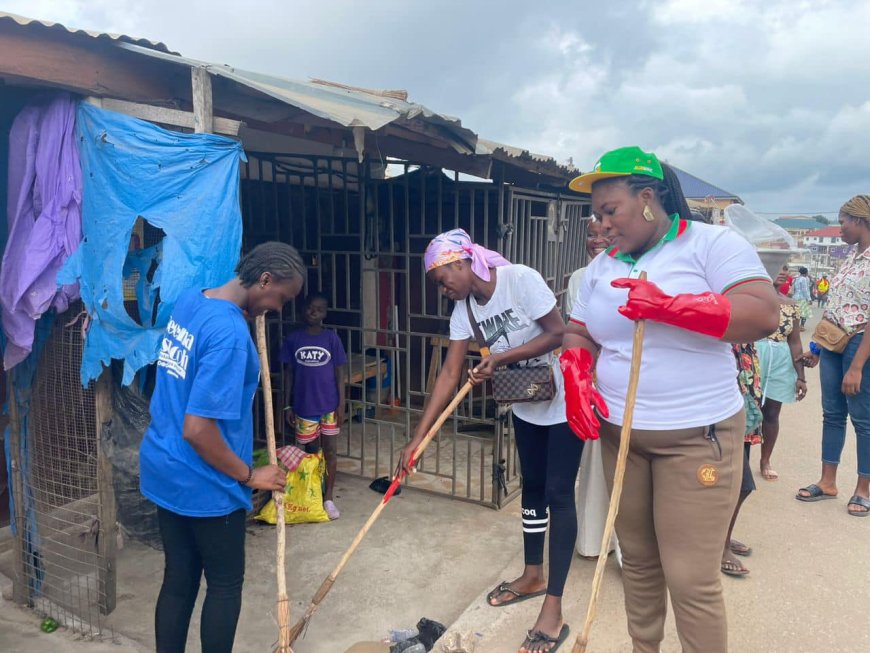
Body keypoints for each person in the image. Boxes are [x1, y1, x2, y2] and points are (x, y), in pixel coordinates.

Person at [563, 146, 779, 653]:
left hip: (696, 437)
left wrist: (674, 307)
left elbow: (762, 312)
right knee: (637, 561)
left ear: (647, 197)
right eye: (596, 215)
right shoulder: (602, 267)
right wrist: (576, 368)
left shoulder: (712, 244)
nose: (602, 223)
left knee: (689, 578)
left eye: (609, 210)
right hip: (621, 435)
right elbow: (580, 330)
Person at [400, 228, 575, 652]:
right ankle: (533, 574)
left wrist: (500, 358)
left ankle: (553, 607)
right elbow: (449, 374)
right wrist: (417, 438)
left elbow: (559, 333)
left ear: (463, 261)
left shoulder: (520, 279)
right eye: (439, 284)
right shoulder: (465, 310)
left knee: (558, 493)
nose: (444, 289)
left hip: (566, 400)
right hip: (525, 402)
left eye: (445, 278)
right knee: (531, 488)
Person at [139, 242, 306, 653]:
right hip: (206, 483)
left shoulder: (191, 302)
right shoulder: (230, 334)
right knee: (225, 586)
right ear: (264, 280)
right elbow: (199, 430)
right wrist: (251, 475)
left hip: (165, 468)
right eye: (281, 298)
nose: (280, 308)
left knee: (178, 580)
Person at [798, 195, 870, 517]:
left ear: (859, 221)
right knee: (832, 414)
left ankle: (863, 489)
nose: (840, 228)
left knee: (864, 420)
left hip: (860, 346)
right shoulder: (851, 258)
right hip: (834, 344)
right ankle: (828, 482)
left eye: (843, 222)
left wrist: (857, 366)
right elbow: (834, 307)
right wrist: (816, 347)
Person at [565, 220, 618, 560]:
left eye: (605, 233)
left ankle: (633, 552)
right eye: (591, 234)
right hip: (596, 384)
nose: (597, 240)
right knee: (597, 468)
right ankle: (593, 541)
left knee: (630, 472)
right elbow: (578, 333)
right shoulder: (579, 279)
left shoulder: (641, 272)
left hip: (635, 385)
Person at [281, 291, 347, 520]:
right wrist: (286, 406)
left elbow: (340, 374)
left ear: (325, 313)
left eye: (319, 309)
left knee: (330, 450)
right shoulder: (293, 339)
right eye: (310, 308)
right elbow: (288, 374)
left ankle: (328, 497)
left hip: (329, 406)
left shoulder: (331, 339)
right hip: (304, 407)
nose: (313, 312)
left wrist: (341, 404)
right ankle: (312, 493)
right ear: (303, 310)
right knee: (310, 453)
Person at [756, 270, 807, 481]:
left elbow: (794, 341)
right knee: (746, 410)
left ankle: (765, 459)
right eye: (778, 267)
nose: (783, 272)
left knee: (772, 413)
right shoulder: (754, 299)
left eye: (785, 268)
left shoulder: (791, 304)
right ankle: (738, 459)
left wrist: (801, 376)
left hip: (781, 360)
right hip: (755, 356)